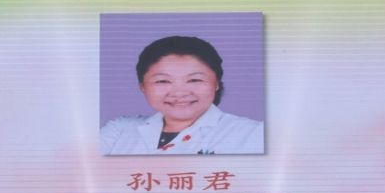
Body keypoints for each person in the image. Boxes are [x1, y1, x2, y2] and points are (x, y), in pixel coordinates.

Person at [101, 35, 264, 155]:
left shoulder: (254, 134)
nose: (179, 93)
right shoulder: (120, 130)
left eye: (194, 80)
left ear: (216, 83)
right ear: (142, 86)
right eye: (163, 81)